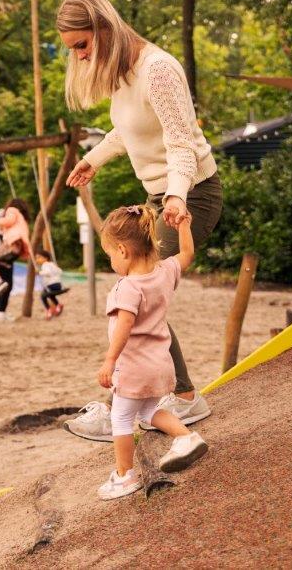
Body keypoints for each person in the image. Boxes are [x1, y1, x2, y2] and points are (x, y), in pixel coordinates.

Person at [58, 0, 222, 441]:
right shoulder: (125, 74)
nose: (80, 55)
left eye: (81, 45)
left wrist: (176, 197)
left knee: (138, 292)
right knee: (139, 294)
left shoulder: (159, 69)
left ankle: (169, 400)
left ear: (104, 28)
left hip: (193, 194)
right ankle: (169, 398)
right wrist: (96, 158)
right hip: (162, 197)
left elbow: (180, 141)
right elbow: (128, 128)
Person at [93, 205, 207, 500]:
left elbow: (125, 326)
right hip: (161, 365)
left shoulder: (127, 288)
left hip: (134, 368)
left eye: (110, 255)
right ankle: (186, 437)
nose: (111, 262)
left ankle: (124, 476)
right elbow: (187, 256)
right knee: (147, 411)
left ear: (123, 250)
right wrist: (184, 226)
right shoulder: (164, 272)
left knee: (120, 418)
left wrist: (109, 360)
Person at [0, 198, 31, 301]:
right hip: (17, 250)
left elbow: (8, 221)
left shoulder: (12, 210)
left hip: (11, 245)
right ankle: (3, 269)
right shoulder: (23, 220)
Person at [36, 249, 64, 320]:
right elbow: (60, 271)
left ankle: (49, 310)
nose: (37, 259)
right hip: (58, 285)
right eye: (36, 258)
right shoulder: (52, 264)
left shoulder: (45, 265)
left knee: (43, 296)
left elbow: (48, 272)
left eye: (39, 257)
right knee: (50, 295)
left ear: (45, 258)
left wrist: (39, 272)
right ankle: (58, 305)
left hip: (52, 284)